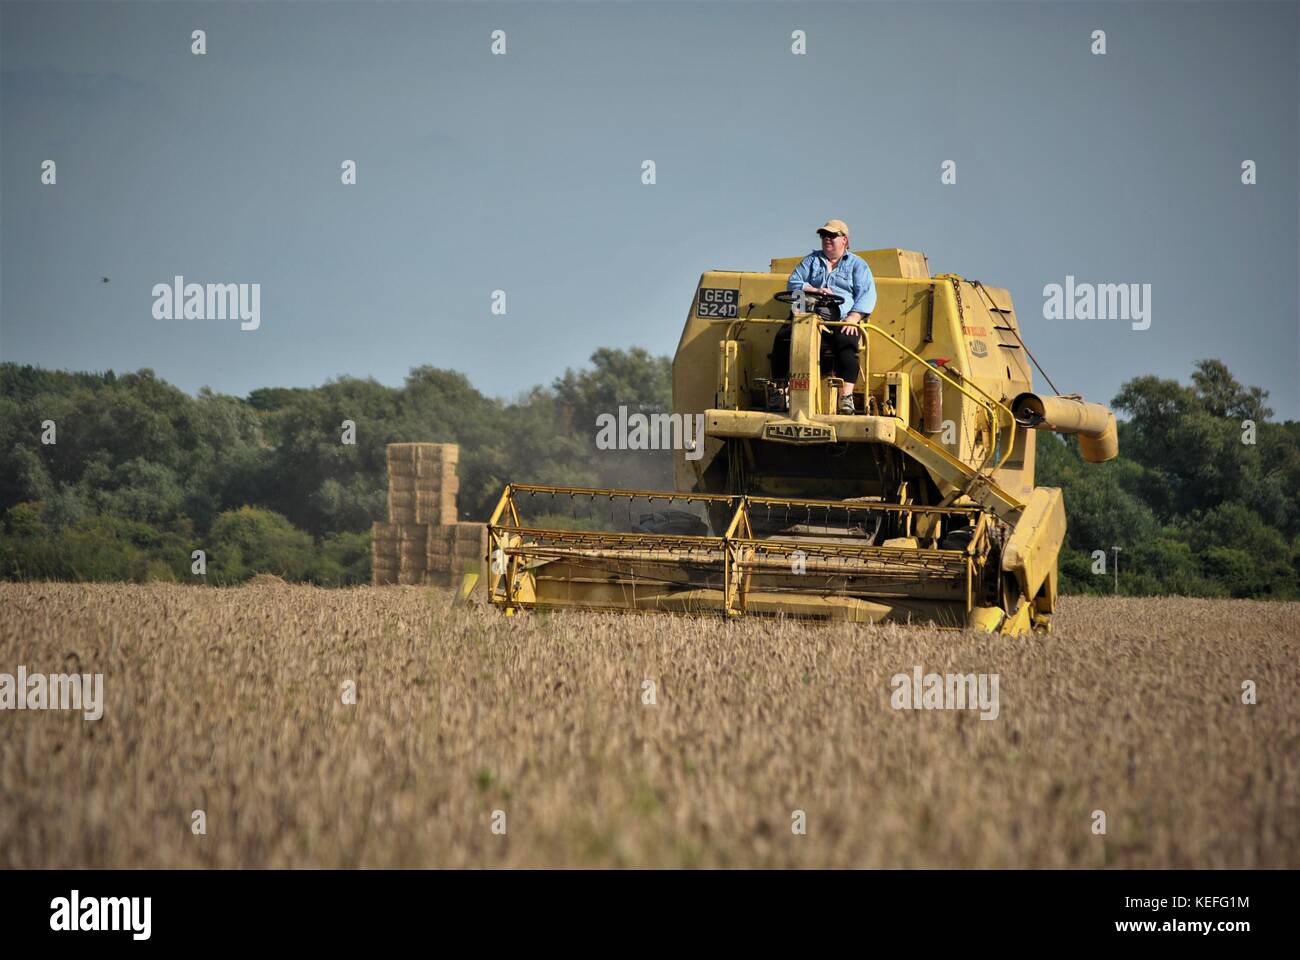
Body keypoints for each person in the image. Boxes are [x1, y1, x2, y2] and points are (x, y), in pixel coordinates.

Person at [770, 219, 877, 414]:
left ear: (844, 239)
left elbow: (867, 295)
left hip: (840, 317)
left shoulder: (858, 265)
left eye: (832, 235)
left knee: (847, 340)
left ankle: (846, 397)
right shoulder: (810, 260)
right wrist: (813, 289)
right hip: (807, 314)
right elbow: (793, 282)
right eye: (823, 235)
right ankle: (780, 392)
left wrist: (853, 317)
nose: (827, 239)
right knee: (783, 338)